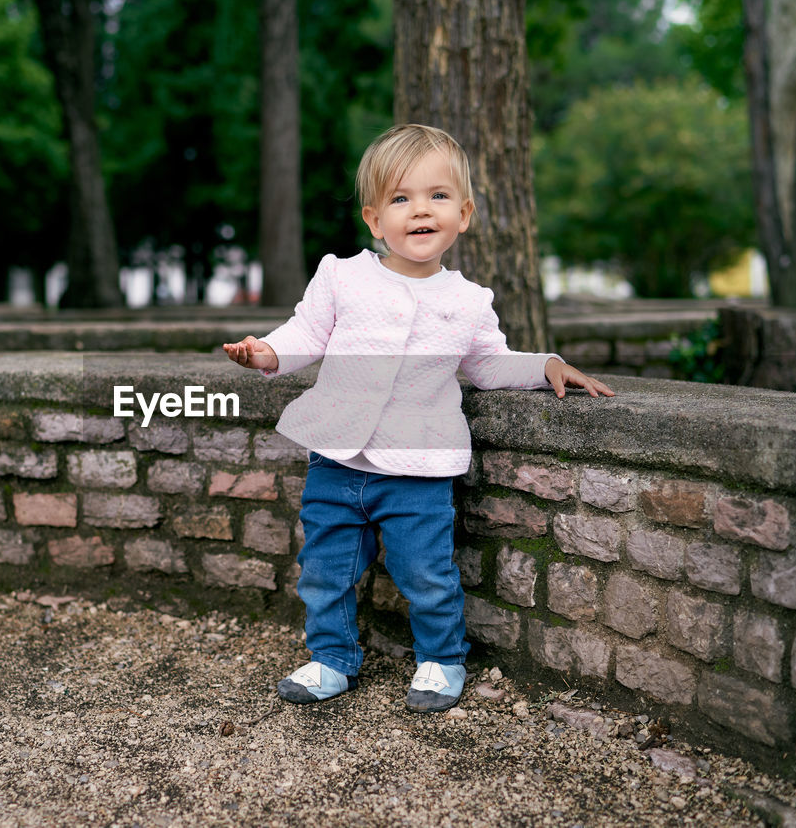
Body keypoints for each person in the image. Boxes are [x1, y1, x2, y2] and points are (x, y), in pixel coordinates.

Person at [224, 124, 613, 712]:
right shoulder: (342, 275)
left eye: (436, 196)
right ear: (375, 220)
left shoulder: (468, 300)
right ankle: (331, 658)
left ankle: (440, 660)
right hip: (336, 459)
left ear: (464, 213)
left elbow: (487, 364)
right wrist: (267, 354)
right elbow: (306, 333)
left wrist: (546, 364)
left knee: (426, 574)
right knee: (324, 570)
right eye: (401, 199)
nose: (420, 210)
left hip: (419, 468)